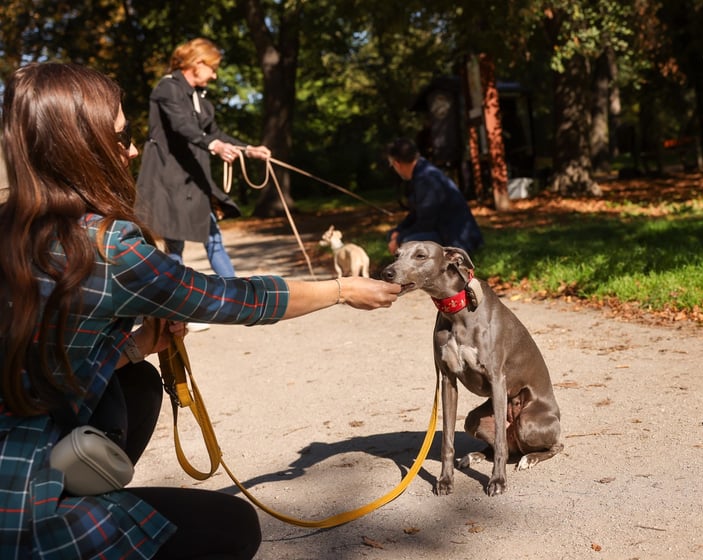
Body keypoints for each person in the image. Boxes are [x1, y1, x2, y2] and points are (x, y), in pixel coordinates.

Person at [0, 62, 400, 560]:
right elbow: (236, 299)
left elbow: (41, 358)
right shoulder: (105, 248)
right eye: (119, 138)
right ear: (81, 150)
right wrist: (341, 290)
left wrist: (135, 346)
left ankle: (91, 487)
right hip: (24, 517)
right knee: (231, 528)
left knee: (139, 385)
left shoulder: (13, 230)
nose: (129, 151)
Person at [135, 38, 270, 281]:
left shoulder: (200, 100)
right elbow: (182, 126)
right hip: (168, 178)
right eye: (213, 68)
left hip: (193, 179)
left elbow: (214, 134)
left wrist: (249, 149)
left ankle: (235, 295)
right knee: (175, 245)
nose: (214, 76)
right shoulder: (168, 88)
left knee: (213, 237)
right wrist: (214, 145)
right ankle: (174, 306)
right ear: (197, 63)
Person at [386, 137, 484, 256]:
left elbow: (425, 223)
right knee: (393, 234)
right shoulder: (424, 172)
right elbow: (417, 214)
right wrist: (398, 231)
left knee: (407, 242)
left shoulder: (425, 180)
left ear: (397, 164)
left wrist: (400, 238)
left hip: (456, 240)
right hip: (450, 233)